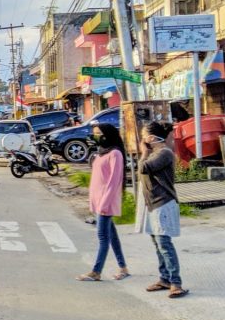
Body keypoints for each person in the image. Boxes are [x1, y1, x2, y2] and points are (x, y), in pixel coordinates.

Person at [135, 122, 188, 298]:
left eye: (144, 136)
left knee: (164, 244)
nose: (142, 139)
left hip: (163, 202)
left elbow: (143, 168)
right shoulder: (155, 153)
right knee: (157, 244)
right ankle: (164, 278)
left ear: (152, 137)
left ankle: (176, 282)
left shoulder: (164, 153)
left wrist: (143, 152)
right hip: (152, 204)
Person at [77, 123, 130, 281]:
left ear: (107, 134)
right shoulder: (101, 153)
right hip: (98, 201)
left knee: (102, 237)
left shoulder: (115, 154)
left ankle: (96, 271)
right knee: (112, 236)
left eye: (98, 133)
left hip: (105, 203)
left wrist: (104, 205)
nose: (95, 136)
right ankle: (123, 268)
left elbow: (114, 182)